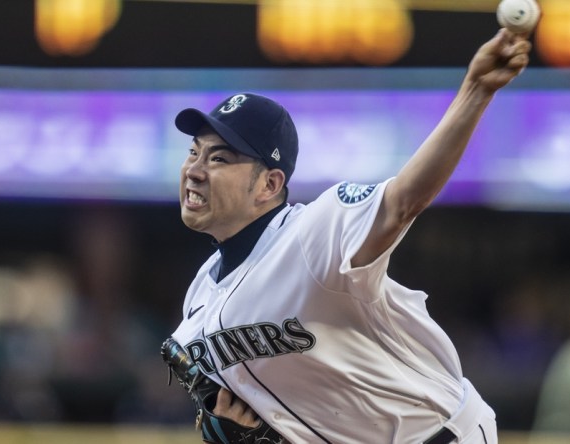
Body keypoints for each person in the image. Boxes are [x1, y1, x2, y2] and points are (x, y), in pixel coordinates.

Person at [162, 28, 532, 444]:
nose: (194, 169)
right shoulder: (198, 303)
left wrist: (474, 92)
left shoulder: (314, 233)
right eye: (194, 152)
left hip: (440, 434)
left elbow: (403, 201)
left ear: (269, 184)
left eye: (219, 158)